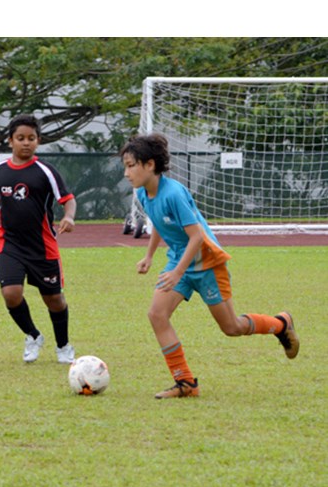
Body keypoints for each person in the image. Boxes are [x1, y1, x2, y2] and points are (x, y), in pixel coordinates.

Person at [120, 133, 299, 399]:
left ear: (150, 165)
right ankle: (185, 383)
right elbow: (159, 221)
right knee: (157, 314)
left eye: (131, 165)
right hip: (178, 261)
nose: (126, 173)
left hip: (207, 263)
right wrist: (149, 255)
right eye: (125, 166)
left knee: (232, 328)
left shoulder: (175, 194)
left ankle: (281, 324)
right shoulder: (144, 194)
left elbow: (197, 237)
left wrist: (179, 271)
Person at [0, 114, 77, 364]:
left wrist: (69, 217)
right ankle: (33, 335)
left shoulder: (45, 171)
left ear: (38, 141)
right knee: (11, 293)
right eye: (20, 138)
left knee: (53, 299)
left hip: (42, 246)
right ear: (10, 141)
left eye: (31, 138)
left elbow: (68, 199)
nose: (26, 143)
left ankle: (63, 346)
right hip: (9, 244)